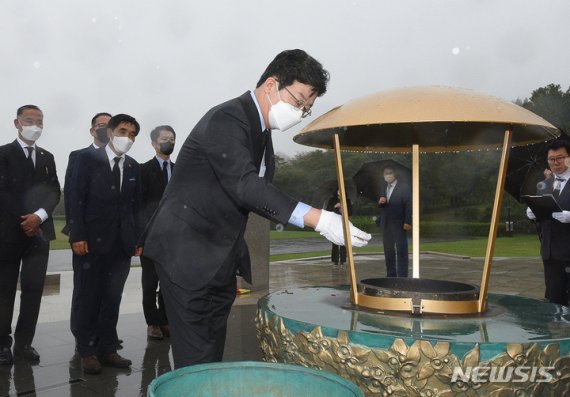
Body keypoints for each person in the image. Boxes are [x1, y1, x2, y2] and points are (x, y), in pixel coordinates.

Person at [142, 49, 371, 369]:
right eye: (300, 101)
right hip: (187, 255)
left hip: (217, 259)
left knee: (210, 354)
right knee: (195, 360)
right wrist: (318, 218)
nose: (301, 112)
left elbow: (254, 196)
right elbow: (245, 186)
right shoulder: (227, 118)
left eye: (307, 108)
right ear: (270, 86)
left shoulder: (261, 134)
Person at [68, 114, 143, 374]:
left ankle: (108, 348)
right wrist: (78, 235)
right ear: (110, 132)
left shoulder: (133, 166)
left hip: (121, 245)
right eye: (123, 131)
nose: (128, 137)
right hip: (90, 243)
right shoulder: (86, 160)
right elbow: (75, 198)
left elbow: (135, 208)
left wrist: (137, 239)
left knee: (112, 299)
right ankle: (87, 351)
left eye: (133, 134)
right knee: (88, 297)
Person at [0, 105, 61, 365]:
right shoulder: (3, 154)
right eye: (29, 120)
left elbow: (54, 192)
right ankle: (3, 345)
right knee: (4, 292)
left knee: (33, 290)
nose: (35, 125)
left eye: (39, 121)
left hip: (39, 234)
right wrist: (24, 219)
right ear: (17, 123)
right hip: (8, 234)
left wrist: (39, 216)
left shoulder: (47, 157)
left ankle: (25, 343)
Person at [140, 125, 176, 340]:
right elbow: (140, 206)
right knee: (149, 282)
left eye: (172, 138)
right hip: (151, 236)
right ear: (154, 143)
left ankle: (164, 319)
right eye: (164, 138)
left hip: (175, 238)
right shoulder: (143, 170)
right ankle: (152, 322)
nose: (168, 142)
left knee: (168, 282)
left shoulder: (181, 169)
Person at [526, 140, 570, 306]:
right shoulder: (544, 185)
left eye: (560, 158)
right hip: (550, 253)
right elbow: (544, 215)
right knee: (554, 301)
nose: (555, 163)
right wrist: (533, 214)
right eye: (551, 159)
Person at [62, 112, 112, 236]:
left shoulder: (122, 159)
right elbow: (70, 194)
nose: (106, 129)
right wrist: (74, 228)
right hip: (87, 228)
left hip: (114, 229)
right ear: (92, 131)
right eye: (102, 125)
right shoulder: (78, 156)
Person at [377, 166, 412, 277]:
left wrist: (408, 221)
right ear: (383, 176)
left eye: (390, 173)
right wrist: (380, 202)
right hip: (386, 224)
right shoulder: (384, 188)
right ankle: (391, 276)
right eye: (386, 174)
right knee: (388, 252)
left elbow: (408, 205)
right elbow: (383, 206)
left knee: (401, 251)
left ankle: (402, 277)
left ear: (394, 175)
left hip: (399, 224)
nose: (388, 176)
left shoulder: (404, 187)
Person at [325, 190, 353, 266]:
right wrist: (335, 206)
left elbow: (350, 212)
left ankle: (343, 261)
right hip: (334, 223)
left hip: (343, 223)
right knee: (334, 242)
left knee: (343, 242)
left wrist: (343, 209)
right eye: (338, 193)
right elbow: (327, 210)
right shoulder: (332, 200)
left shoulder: (347, 200)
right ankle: (335, 261)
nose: (339, 194)